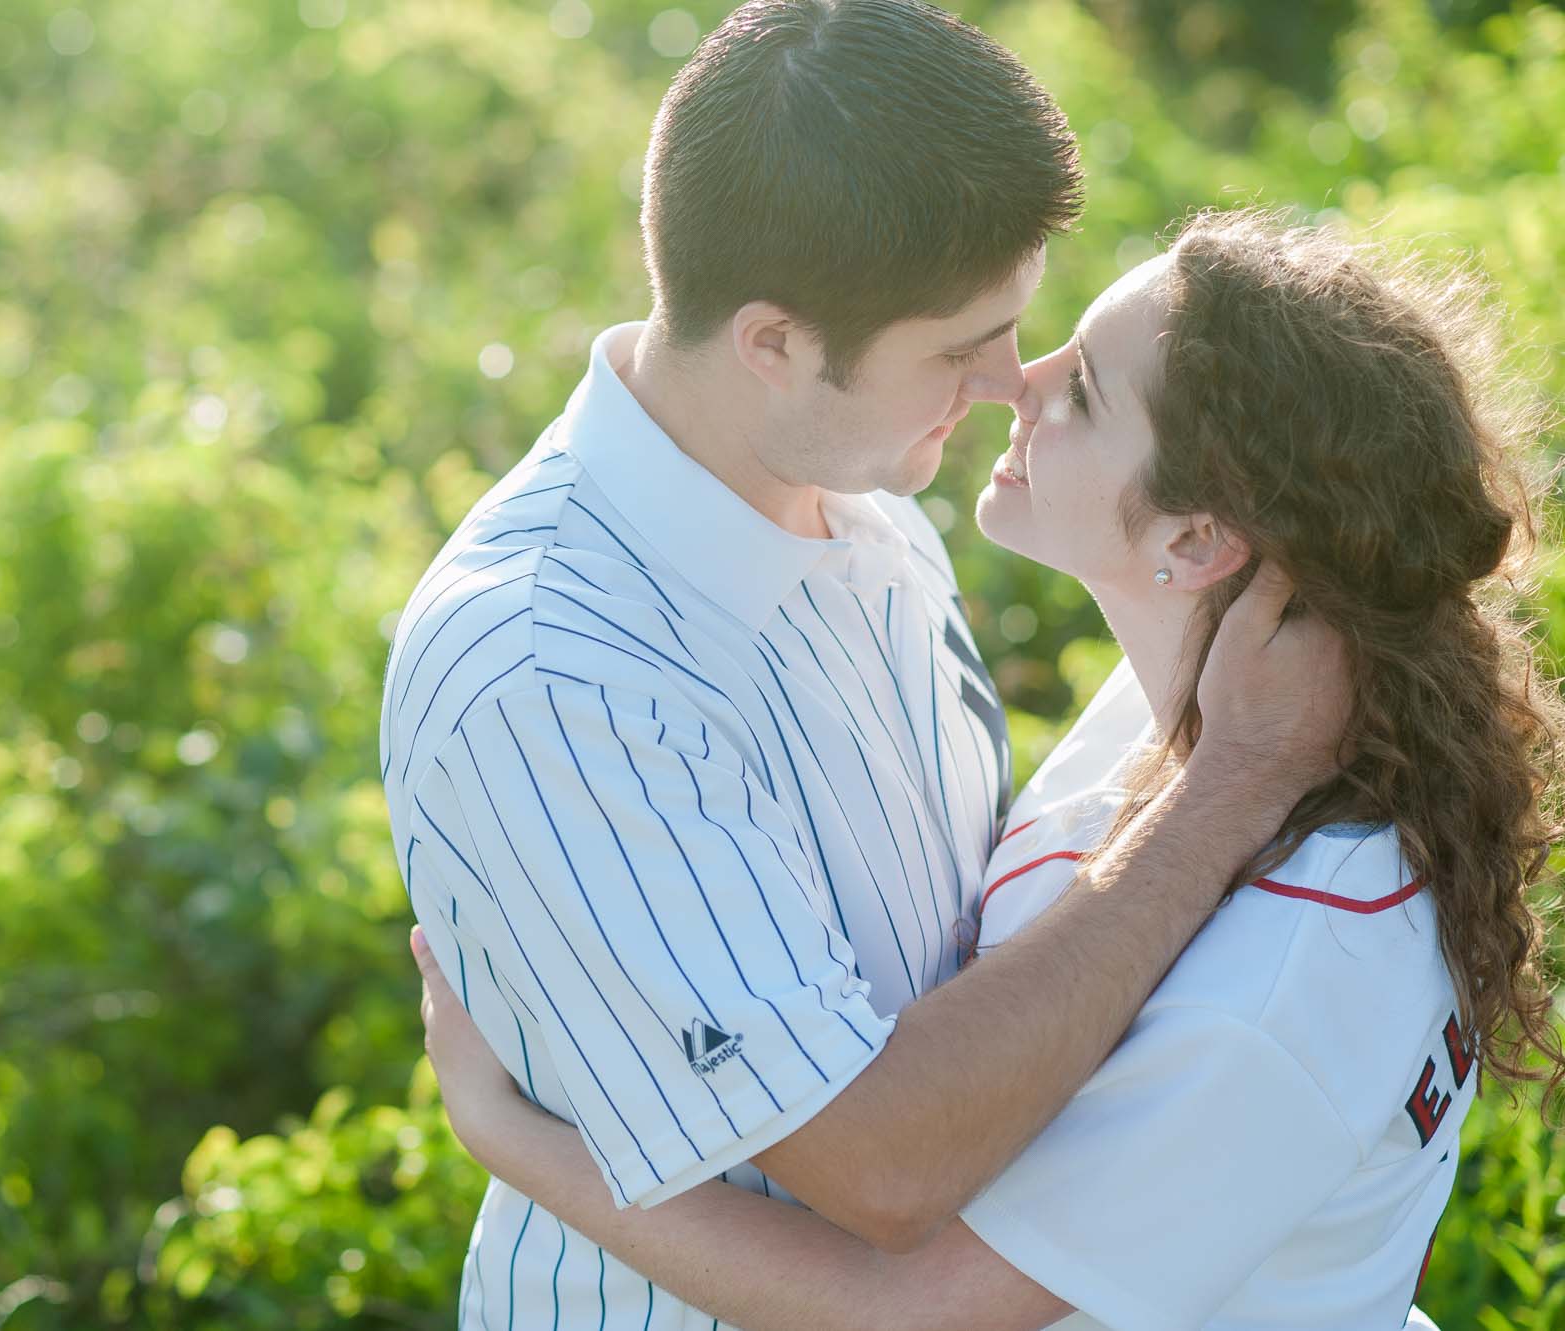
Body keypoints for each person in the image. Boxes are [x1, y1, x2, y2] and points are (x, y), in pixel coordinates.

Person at [412, 208, 1565, 1330]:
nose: (1019, 380)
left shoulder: (1283, 954)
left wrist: (512, 1136)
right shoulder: (1179, 720)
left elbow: (915, 1311)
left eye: (1081, 392)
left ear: (1191, 541)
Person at [378, 2, 1351, 1326]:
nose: (1012, 383)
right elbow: (880, 1167)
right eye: (960, 347)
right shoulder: (555, 677)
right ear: (771, 342)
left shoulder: (870, 507)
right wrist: (1228, 783)